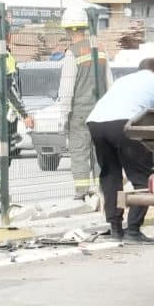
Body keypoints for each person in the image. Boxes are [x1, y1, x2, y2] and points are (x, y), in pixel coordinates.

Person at [86, 56, 154, 243]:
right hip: (125, 124)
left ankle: (116, 228)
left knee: (110, 175)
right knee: (143, 178)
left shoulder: (124, 80)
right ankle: (133, 230)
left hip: (96, 122)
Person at [56, 20, 110, 207]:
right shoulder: (101, 49)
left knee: (79, 152)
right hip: (101, 110)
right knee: (99, 151)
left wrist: (63, 115)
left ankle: (82, 192)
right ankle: (99, 188)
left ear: (69, 31)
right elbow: (109, 80)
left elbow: (67, 88)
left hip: (80, 111)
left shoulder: (72, 53)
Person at [0, 41, 33, 210]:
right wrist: (24, 114)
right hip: (3, 110)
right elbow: (10, 88)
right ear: (6, 35)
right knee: (2, 155)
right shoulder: (5, 56)